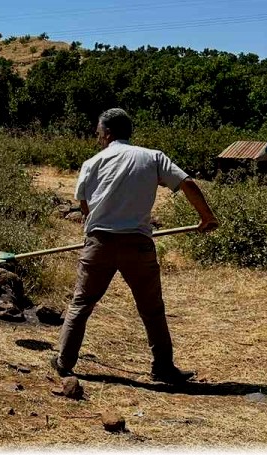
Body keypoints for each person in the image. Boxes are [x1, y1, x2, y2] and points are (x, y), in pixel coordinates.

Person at [52, 108, 218, 384]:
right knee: (152, 308)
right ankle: (163, 367)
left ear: (107, 133)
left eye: (98, 133)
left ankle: (64, 362)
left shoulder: (92, 162)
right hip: (138, 245)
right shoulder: (152, 157)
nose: (97, 137)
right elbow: (187, 183)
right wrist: (206, 216)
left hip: (99, 243)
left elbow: (84, 206)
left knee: (81, 303)